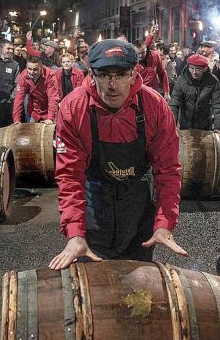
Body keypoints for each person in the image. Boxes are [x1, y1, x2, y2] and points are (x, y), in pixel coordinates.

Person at [48, 39, 187, 269]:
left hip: (137, 209)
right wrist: (75, 234)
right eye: (104, 75)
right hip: (95, 209)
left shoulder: (155, 106)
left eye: (121, 74)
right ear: (91, 74)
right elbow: (70, 177)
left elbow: (168, 171)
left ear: (133, 74)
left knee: (138, 297)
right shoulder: (73, 108)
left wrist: (164, 223)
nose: (113, 85)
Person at [169, 53, 220, 131]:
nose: (194, 72)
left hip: (204, 125)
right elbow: (174, 103)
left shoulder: (212, 81)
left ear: (205, 69)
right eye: (191, 68)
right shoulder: (181, 80)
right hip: (185, 124)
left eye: (198, 69)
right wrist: (172, 125)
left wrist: (218, 127)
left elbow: (218, 104)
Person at [0, 40, 20, 129]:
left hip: (6, 103)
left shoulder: (15, 65)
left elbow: (17, 84)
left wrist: (11, 98)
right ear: (0, 49)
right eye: (8, 48)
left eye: (12, 49)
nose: (10, 51)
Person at [13, 55, 53, 124]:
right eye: (29, 69)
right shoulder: (23, 76)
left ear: (41, 67)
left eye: (35, 69)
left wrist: (51, 117)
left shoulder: (50, 75)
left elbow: (53, 98)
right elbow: (19, 98)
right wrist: (16, 119)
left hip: (48, 112)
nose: (31, 72)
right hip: (33, 112)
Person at [48, 53, 86, 117]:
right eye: (64, 62)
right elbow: (56, 90)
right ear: (61, 63)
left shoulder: (79, 73)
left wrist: (69, 102)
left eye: (68, 61)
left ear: (72, 62)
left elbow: (78, 91)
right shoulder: (57, 73)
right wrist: (59, 103)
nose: (66, 63)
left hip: (75, 101)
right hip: (62, 101)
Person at [134, 31, 170, 97]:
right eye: (138, 53)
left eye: (142, 52)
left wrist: (166, 91)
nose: (140, 55)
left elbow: (162, 74)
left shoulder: (155, 56)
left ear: (146, 49)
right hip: (138, 94)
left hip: (153, 93)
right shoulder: (132, 62)